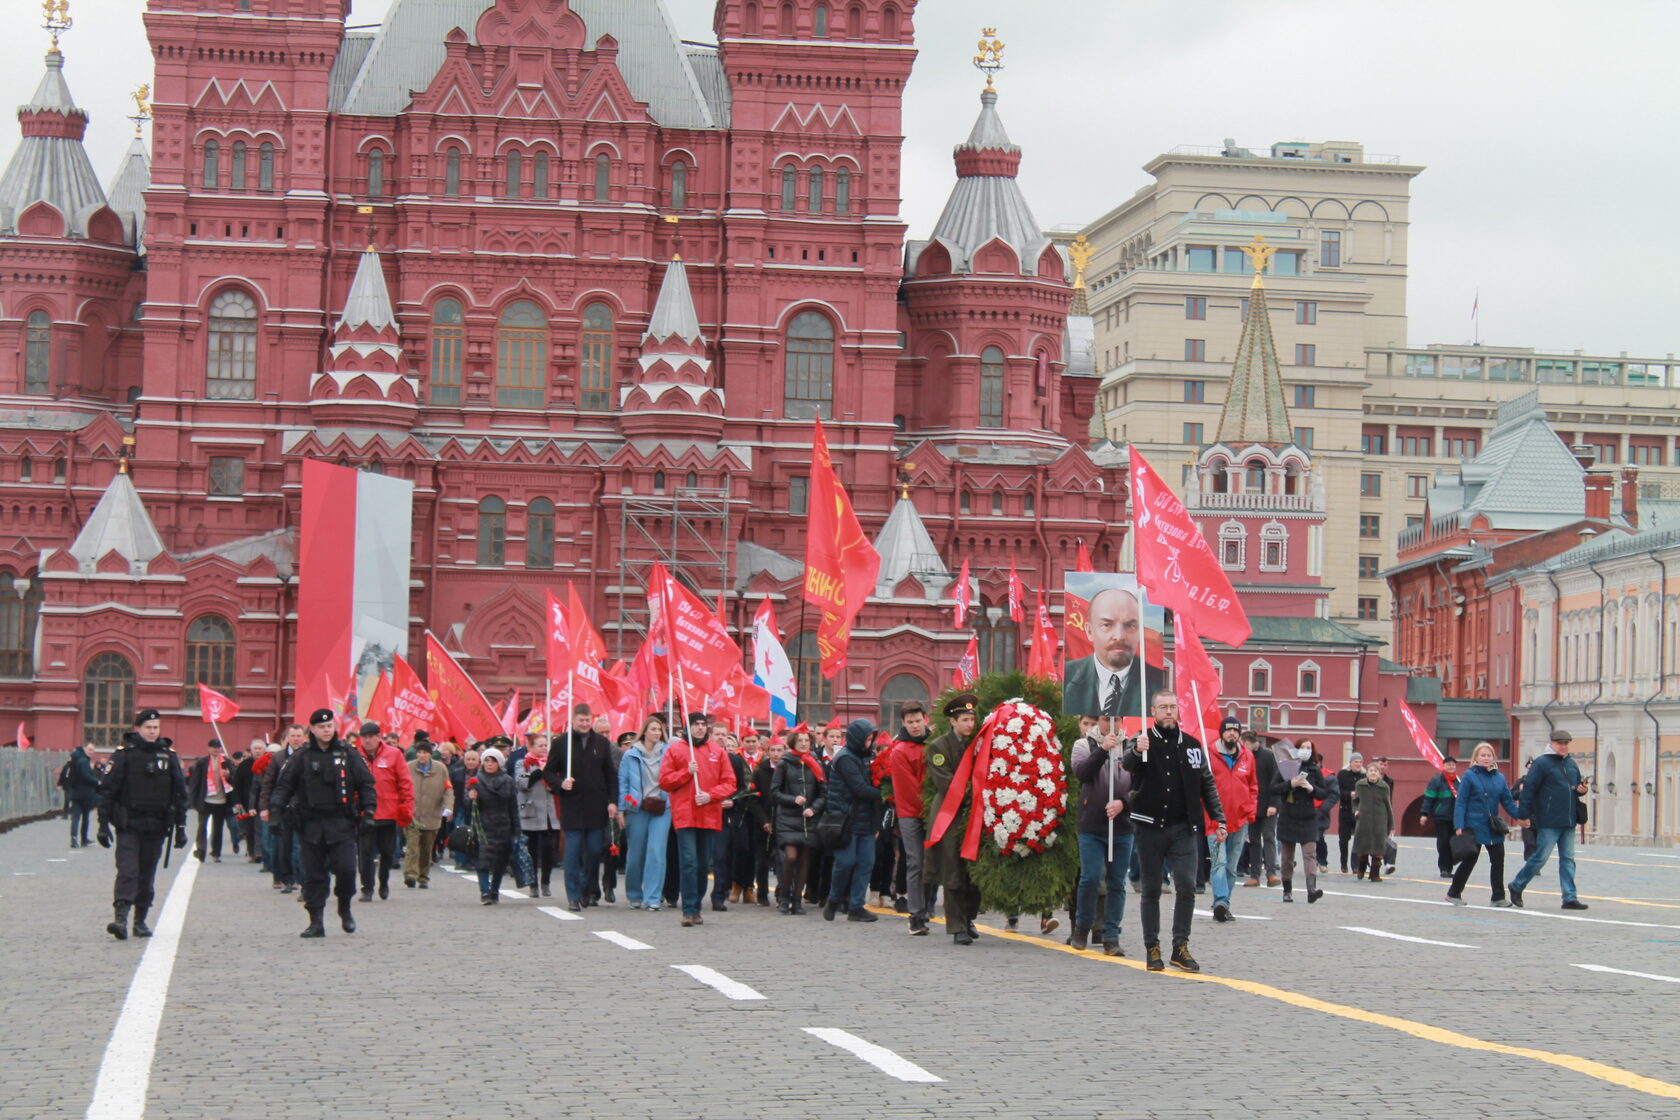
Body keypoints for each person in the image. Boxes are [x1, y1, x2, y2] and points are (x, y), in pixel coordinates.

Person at [1123, 690, 1224, 972]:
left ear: (1178, 712)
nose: (1169, 712)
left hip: (1184, 827)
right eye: (1163, 707)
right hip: (1149, 826)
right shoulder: (1142, 741)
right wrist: (1135, 751)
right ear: (1153, 711)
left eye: (1173, 707)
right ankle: (1152, 947)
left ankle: (1180, 946)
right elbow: (1127, 766)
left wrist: (1220, 819)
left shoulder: (1192, 745)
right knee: (1152, 890)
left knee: (1187, 887)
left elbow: (1207, 784)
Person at [270, 709, 376, 937]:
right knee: (314, 876)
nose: (326, 730)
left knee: (346, 870)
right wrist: (275, 814)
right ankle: (315, 921)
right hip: (311, 826)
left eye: (330, 726)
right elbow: (283, 787)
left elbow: (366, 783)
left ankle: (344, 908)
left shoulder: (348, 753)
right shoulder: (301, 756)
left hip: (342, 823)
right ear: (313, 730)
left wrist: (368, 811)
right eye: (321, 727)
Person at [96, 709, 188, 940]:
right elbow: (108, 791)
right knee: (128, 871)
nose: (152, 731)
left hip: (156, 825)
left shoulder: (168, 755)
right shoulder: (124, 755)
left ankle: (140, 920)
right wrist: (102, 824)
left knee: (147, 875)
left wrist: (181, 828)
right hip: (129, 824)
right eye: (148, 727)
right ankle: (120, 919)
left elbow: (179, 794)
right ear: (138, 728)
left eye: (156, 728)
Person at [659, 711, 736, 927]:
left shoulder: (718, 752)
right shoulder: (676, 750)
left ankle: (697, 906)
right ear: (688, 727)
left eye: (703, 724)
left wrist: (711, 795)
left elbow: (730, 782)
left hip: (708, 814)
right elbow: (664, 781)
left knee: (702, 866)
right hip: (685, 815)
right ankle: (688, 909)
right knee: (689, 863)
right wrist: (686, 772)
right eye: (696, 724)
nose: (700, 727)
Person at [543, 704, 620, 911]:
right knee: (573, 852)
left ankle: (587, 887)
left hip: (597, 806)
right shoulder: (561, 744)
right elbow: (548, 772)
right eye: (581, 720)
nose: (585, 724)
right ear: (574, 720)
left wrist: (613, 801)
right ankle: (573, 896)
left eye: (588, 720)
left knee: (594, 851)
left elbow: (611, 776)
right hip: (573, 806)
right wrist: (561, 784)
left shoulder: (602, 743)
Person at [924, 694, 984, 945]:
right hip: (950, 814)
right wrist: (977, 793)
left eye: (972, 719)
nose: (970, 724)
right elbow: (945, 783)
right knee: (953, 870)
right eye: (965, 720)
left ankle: (968, 918)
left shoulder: (980, 744)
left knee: (974, 871)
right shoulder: (939, 747)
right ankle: (956, 926)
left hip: (974, 813)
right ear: (952, 721)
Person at [1072, 715, 1133, 954]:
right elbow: (1082, 773)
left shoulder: (1131, 748)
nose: (1112, 725)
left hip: (1122, 826)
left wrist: (1123, 803)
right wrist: (1102, 750)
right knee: (1091, 878)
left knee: (1117, 882)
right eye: (1107, 719)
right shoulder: (1084, 745)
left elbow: (1139, 785)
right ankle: (1082, 927)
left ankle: (1111, 935)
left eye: (1116, 719)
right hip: (1092, 825)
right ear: (1099, 721)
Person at [1509, 729, 1589, 910]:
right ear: (1552, 743)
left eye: (1566, 743)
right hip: (1549, 819)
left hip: (1568, 819)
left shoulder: (1570, 764)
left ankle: (1569, 897)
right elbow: (1529, 790)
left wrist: (1581, 790)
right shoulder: (1541, 764)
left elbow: (1574, 788)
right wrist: (1523, 814)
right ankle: (1517, 885)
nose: (1563, 746)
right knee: (1540, 858)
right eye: (1560, 743)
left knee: (1568, 859)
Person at [1062, 587, 1168, 717]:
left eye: (1129, 625)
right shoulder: (1067, 676)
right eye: (1107, 625)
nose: (1119, 636)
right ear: (1090, 631)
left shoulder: (1157, 682)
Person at [1448, 741, 1522, 907]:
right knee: (1470, 859)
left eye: (1489, 755)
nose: (1486, 758)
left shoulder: (1499, 778)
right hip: (1473, 825)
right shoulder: (1469, 776)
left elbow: (1507, 801)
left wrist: (1520, 816)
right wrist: (1458, 825)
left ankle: (1498, 897)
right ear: (1476, 758)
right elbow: (1461, 801)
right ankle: (1454, 892)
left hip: (1492, 825)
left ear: (1493, 758)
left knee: (1498, 859)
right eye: (1483, 755)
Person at [824, 718, 883, 923]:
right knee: (845, 862)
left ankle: (856, 906)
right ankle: (833, 899)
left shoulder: (868, 756)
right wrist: (886, 792)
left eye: (871, 739)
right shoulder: (845, 758)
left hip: (866, 820)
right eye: (866, 739)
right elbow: (859, 788)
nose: (869, 743)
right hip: (845, 819)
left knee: (866, 862)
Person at [353, 720, 414, 902]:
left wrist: (407, 807)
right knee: (365, 853)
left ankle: (384, 881)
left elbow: (405, 782)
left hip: (388, 812)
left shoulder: (394, 754)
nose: (368, 741)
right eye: (364, 737)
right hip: (364, 813)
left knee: (387, 852)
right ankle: (367, 888)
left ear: (379, 737)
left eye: (371, 737)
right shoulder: (355, 756)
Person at [886, 701, 933, 934]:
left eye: (918, 720)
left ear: (926, 718)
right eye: (910, 722)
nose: (915, 726)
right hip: (911, 814)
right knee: (916, 862)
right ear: (903, 723)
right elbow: (909, 789)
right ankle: (916, 914)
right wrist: (930, 808)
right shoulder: (900, 750)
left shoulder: (935, 743)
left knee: (933, 862)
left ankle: (928, 907)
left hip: (935, 812)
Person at [1205, 717, 1257, 921]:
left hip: (1240, 819)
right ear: (1222, 733)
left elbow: (1253, 786)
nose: (1232, 734)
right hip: (1215, 820)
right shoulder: (1209, 755)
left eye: (1236, 731)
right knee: (1219, 862)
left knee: (1231, 867)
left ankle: (1224, 903)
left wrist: (1250, 809)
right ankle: (1220, 901)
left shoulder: (1247, 757)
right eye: (1228, 730)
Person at [770, 726, 826, 914]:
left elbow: (823, 793)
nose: (803, 744)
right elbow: (775, 792)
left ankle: (797, 900)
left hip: (808, 819)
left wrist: (813, 808)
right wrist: (792, 800)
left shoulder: (815, 762)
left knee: (804, 861)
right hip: (787, 819)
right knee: (791, 857)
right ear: (794, 742)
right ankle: (784, 897)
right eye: (800, 740)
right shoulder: (785, 763)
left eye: (806, 741)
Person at [619, 715, 671, 910]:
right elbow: (623, 781)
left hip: (662, 808)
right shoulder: (631, 754)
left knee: (656, 852)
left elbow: (675, 777)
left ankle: (653, 897)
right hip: (638, 808)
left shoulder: (668, 752)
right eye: (653, 729)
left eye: (659, 730)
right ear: (645, 732)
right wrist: (622, 808)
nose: (656, 733)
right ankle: (634, 894)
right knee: (636, 854)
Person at [1272, 739, 1330, 903]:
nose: (1306, 750)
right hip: (1288, 815)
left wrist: (1311, 788)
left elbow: (1324, 792)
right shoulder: (1286, 766)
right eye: (1303, 747)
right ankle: (1287, 890)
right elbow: (1274, 788)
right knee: (1287, 858)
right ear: (1296, 749)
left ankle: (1311, 889)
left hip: (1308, 817)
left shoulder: (1314, 768)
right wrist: (1291, 783)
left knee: (1310, 854)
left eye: (1309, 748)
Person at [466, 746, 521, 903]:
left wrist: (517, 830)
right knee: (482, 860)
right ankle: (485, 891)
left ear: (500, 763)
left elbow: (513, 806)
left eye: (493, 761)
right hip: (483, 825)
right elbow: (468, 808)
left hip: (503, 826)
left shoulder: (508, 781)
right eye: (487, 761)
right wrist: (471, 798)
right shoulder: (475, 781)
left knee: (500, 862)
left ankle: (494, 890)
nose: (489, 764)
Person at [259, 724, 306, 891]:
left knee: (301, 846)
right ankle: (287, 879)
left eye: (299, 735)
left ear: (304, 737)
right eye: (292, 736)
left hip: (303, 808)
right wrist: (265, 807)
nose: (296, 739)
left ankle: (302, 878)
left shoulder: (309, 756)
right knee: (283, 846)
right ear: (287, 738)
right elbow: (268, 784)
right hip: (284, 807)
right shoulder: (278, 758)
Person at [710, 731, 753, 911]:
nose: (720, 738)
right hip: (709, 811)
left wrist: (733, 800)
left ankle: (721, 893)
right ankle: (719, 891)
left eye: (723, 735)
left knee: (730, 853)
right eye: (717, 735)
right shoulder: (704, 758)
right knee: (718, 856)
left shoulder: (734, 760)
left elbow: (742, 787)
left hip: (729, 813)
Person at [403, 739, 453, 890]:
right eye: (419, 752)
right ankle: (410, 875)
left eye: (425, 753)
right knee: (412, 846)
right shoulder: (408, 767)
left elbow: (448, 789)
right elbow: (402, 786)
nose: (422, 755)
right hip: (412, 814)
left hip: (432, 814)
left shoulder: (441, 769)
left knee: (426, 848)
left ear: (430, 754)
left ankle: (423, 876)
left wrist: (448, 806)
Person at [515, 735, 560, 898]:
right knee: (532, 849)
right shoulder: (523, 763)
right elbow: (522, 783)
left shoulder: (553, 763)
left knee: (549, 848)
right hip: (531, 810)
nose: (543, 748)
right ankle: (533, 884)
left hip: (550, 812)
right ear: (531, 747)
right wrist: (540, 770)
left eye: (545, 745)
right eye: (540, 745)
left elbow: (560, 783)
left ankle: (545, 882)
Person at [1242, 732, 1281, 887]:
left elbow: (1276, 780)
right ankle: (1255, 875)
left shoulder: (1268, 756)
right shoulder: (1245, 756)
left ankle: (1271, 874)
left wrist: (1274, 804)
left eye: (1243, 744)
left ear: (1249, 742)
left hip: (1268, 805)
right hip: (1252, 805)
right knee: (1254, 840)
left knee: (1269, 837)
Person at [745, 731, 779, 907]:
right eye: (773, 750)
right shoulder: (760, 771)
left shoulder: (788, 768)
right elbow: (753, 799)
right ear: (768, 751)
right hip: (763, 823)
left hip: (782, 822)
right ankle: (763, 894)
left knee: (782, 860)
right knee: (762, 861)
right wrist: (764, 821)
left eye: (779, 750)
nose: (776, 754)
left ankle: (782, 893)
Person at [188, 740, 236, 862]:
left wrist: (229, 775)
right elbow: (195, 782)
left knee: (218, 828)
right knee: (202, 826)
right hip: (205, 799)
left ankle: (216, 852)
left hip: (221, 800)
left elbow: (235, 780)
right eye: (214, 747)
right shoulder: (202, 762)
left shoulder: (227, 762)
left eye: (218, 747)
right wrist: (192, 801)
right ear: (209, 748)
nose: (216, 749)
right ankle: (201, 850)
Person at [1351, 759, 1393, 882]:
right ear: (1367, 773)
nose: (1373, 773)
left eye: (1375, 771)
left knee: (1377, 851)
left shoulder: (1384, 787)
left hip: (1380, 822)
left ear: (1379, 774)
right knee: (1362, 848)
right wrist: (1355, 810)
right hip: (1364, 821)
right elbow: (1355, 800)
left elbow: (1388, 806)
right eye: (1371, 771)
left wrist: (1391, 825)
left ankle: (1374, 874)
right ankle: (1361, 869)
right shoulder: (1360, 785)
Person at [1422, 755, 1461, 878]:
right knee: (1443, 842)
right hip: (1440, 816)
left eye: (1453, 765)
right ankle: (1444, 868)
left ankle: (1449, 868)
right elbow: (1429, 797)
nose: (1451, 767)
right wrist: (1424, 813)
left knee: (1452, 842)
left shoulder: (1458, 782)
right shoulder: (1437, 780)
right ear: (1444, 766)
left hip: (1454, 817)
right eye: (1448, 764)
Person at [65, 741, 101, 848]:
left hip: (75, 792)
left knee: (75, 817)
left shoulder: (75, 758)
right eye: (90, 749)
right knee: (85, 817)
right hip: (85, 793)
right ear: (84, 749)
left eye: (93, 750)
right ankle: (83, 839)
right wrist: (97, 782)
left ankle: (74, 838)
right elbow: (86, 776)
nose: (91, 752)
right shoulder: (83, 761)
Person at [1334, 753, 1364, 873]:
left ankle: (1355, 865)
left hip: (1359, 812)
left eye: (1360, 762)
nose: (1358, 764)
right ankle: (1343, 863)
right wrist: (1349, 794)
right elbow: (1337, 791)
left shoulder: (1364, 776)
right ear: (1350, 763)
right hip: (1345, 811)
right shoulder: (1342, 774)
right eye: (1356, 762)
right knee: (1343, 839)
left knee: (1358, 839)